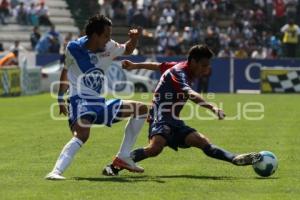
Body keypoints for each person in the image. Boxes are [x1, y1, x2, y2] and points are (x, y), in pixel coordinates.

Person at [103, 45, 261, 176]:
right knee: (155, 147)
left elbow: (159, 66)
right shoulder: (179, 73)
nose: (206, 70)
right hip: (160, 115)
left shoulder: (180, 66)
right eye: (204, 65)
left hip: (174, 119)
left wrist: (135, 65)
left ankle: (234, 158)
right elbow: (190, 93)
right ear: (193, 61)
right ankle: (116, 164)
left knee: (202, 141)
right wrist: (211, 107)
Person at [45, 14, 148, 180]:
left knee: (142, 109)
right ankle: (56, 171)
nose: (109, 39)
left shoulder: (109, 46)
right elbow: (66, 70)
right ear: (94, 35)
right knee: (83, 134)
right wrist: (60, 98)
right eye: (106, 35)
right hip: (79, 100)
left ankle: (123, 157)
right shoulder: (73, 48)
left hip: (99, 102)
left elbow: (127, 49)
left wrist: (134, 39)